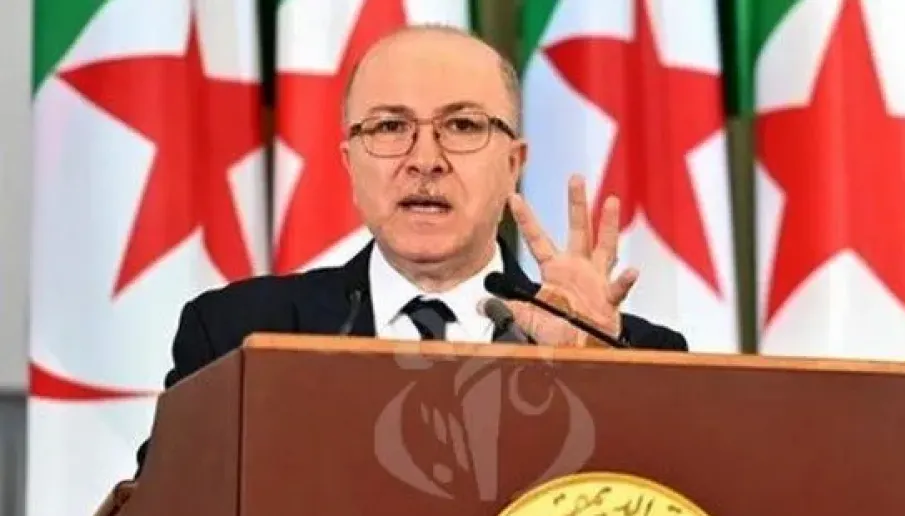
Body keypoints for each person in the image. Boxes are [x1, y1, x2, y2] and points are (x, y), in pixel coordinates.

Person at [134, 25, 686, 474]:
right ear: (350, 164)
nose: (425, 160)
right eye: (390, 126)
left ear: (513, 165)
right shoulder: (236, 335)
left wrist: (595, 374)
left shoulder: (639, 357)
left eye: (463, 125)